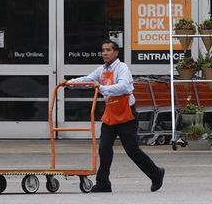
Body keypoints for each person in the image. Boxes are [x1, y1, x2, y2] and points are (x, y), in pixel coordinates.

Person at [67, 39, 165, 193]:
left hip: (126, 114)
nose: (105, 53)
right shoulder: (101, 70)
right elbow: (88, 80)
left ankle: (156, 173)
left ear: (116, 52)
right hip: (111, 113)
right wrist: (69, 83)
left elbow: (123, 86)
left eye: (108, 50)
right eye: (103, 50)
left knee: (132, 150)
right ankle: (103, 183)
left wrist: (103, 88)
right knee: (104, 147)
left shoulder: (122, 68)